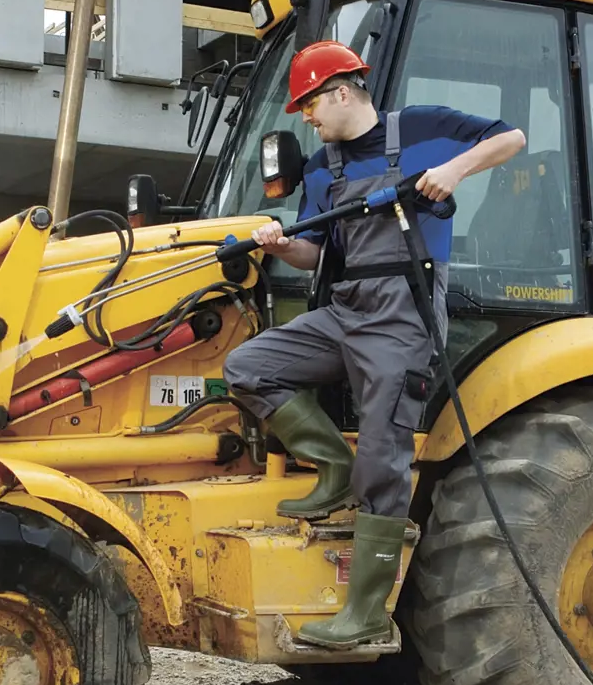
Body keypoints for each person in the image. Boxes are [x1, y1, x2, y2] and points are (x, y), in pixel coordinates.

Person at [222, 40, 526, 648]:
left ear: (341, 92)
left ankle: (364, 611)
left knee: (383, 454)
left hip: (403, 313)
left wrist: (454, 170)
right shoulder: (320, 169)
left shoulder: (423, 130)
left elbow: (511, 137)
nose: (306, 119)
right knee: (249, 365)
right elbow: (316, 254)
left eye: (309, 106)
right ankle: (334, 467)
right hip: (347, 308)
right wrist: (283, 245)